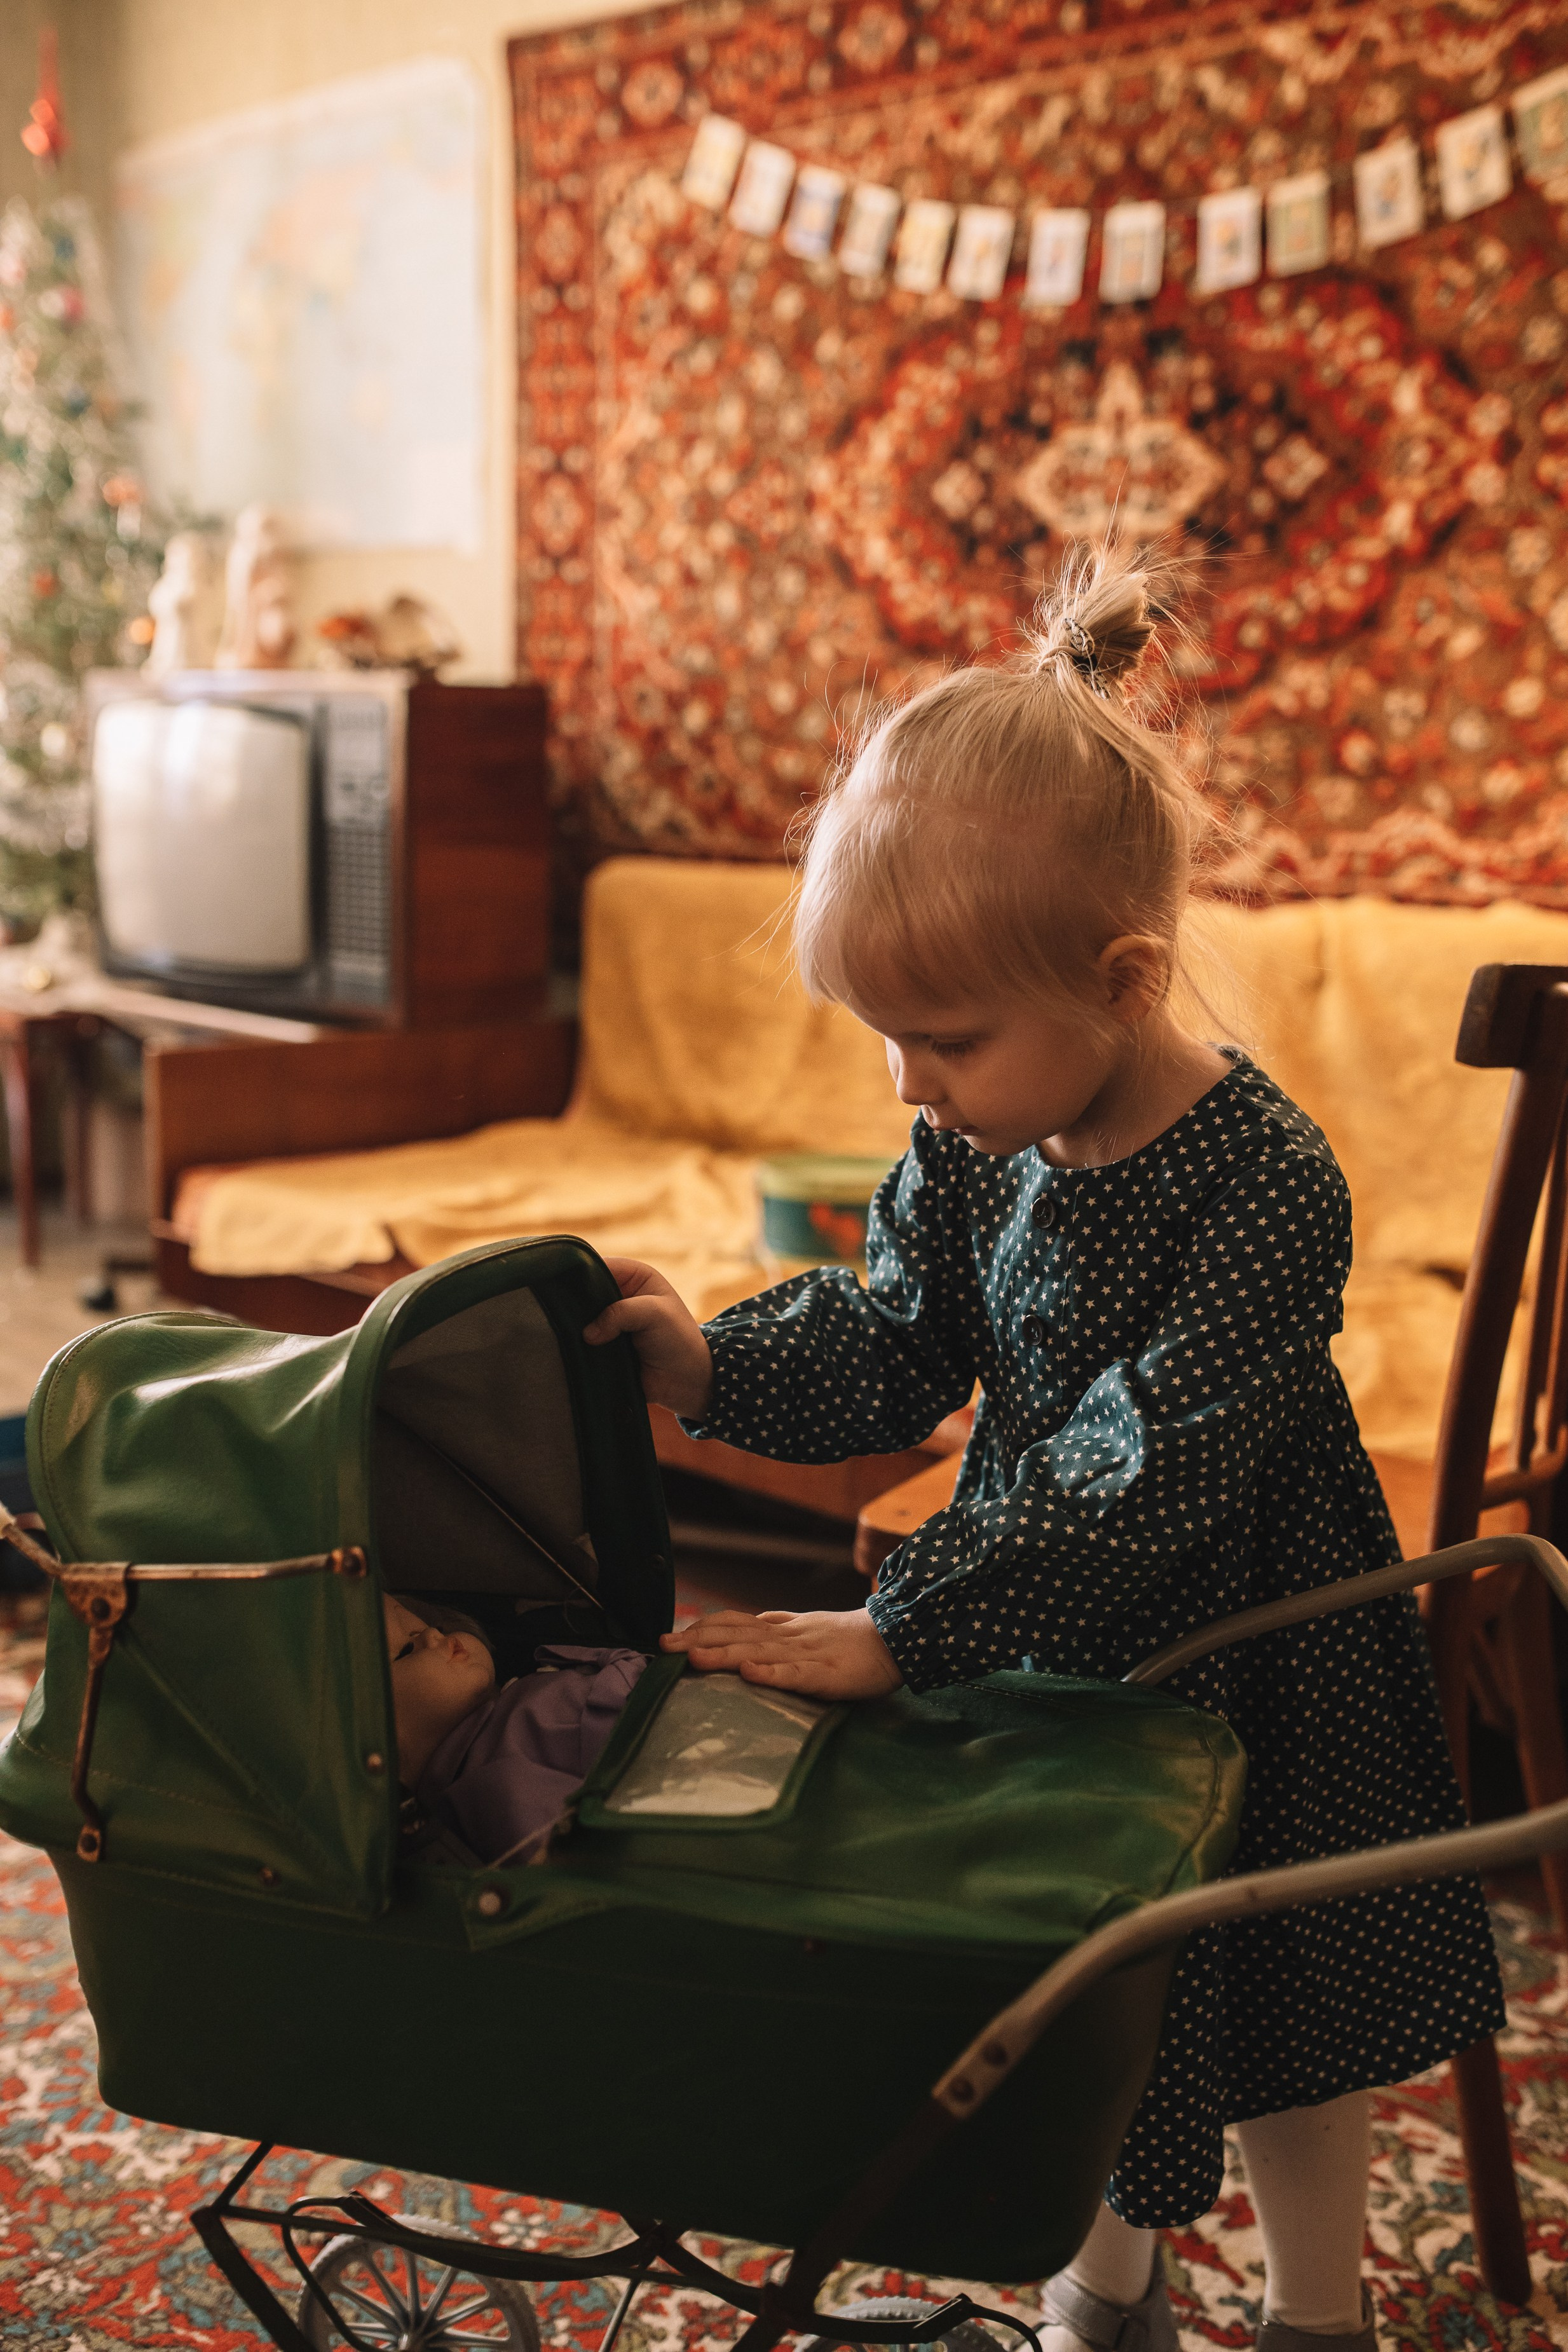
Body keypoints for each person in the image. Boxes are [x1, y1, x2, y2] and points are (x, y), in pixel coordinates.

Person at [582, 549, 1504, 2352]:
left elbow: (1142, 1467)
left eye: (942, 1037)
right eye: (886, 1041)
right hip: (1065, 1620)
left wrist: (911, 1627)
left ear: (1126, 976)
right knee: (1093, 1971)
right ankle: (1108, 2287)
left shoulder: (1266, 1180)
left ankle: (1323, 2315)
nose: (906, 1089)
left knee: (1283, 2012)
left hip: (1260, 1640)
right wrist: (706, 1366)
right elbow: (892, 1336)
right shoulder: (974, 1141)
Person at [382, 1594, 644, 1866]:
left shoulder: (518, 1695)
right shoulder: (492, 1792)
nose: (433, 1634)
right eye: (406, 1651)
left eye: (423, 1626)